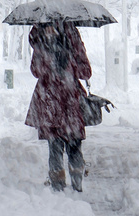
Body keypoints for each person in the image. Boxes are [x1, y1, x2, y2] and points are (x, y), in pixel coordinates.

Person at [25, 21, 92, 192]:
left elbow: (36, 71)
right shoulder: (71, 34)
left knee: (55, 146)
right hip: (70, 100)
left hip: (50, 101)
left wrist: (47, 49)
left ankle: (58, 187)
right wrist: (68, 63)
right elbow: (85, 71)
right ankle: (76, 185)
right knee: (73, 144)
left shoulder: (41, 39)